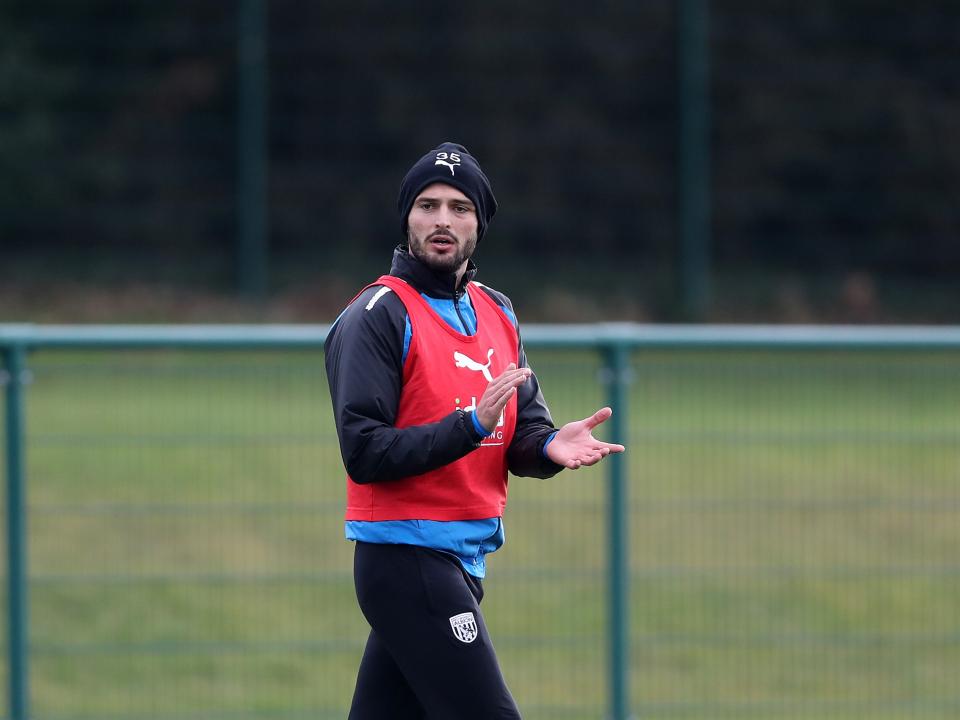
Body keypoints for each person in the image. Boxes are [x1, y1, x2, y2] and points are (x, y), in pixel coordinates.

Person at [324, 141, 625, 719]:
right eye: (428, 205)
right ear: (406, 217)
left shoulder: (497, 309)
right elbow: (364, 452)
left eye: (460, 208)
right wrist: (470, 425)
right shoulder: (378, 314)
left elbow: (523, 427)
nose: (442, 220)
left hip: (460, 560)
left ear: (479, 224)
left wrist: (547, 446)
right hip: (405, 557)